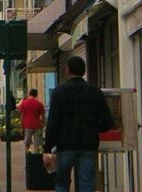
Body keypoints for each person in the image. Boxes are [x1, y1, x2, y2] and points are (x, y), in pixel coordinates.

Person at [43, 56, 113, 192]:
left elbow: (53, 123)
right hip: (88, 145)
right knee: (86, 184)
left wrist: (47, 148)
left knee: (62, 183)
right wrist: (93, 129)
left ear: (68, 70)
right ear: (84, 71)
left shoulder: (59, 92)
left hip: (65, 146)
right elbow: (107, 121)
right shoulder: (95, 92)